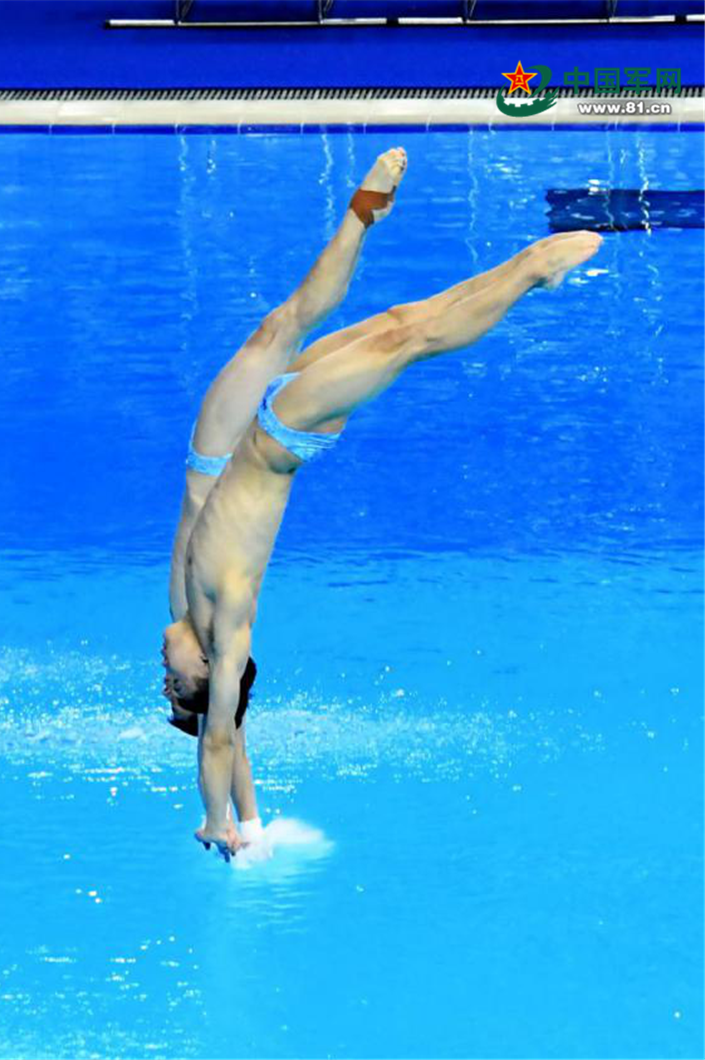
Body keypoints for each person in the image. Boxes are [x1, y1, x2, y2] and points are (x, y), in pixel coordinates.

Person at [162, 146, 602, 860]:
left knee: (393, 322)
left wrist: (247, 821)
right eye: (174, 683)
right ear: (208, 676)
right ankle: (528, 271)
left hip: (241, 438)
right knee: (407, 340)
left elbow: (225, 730)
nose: (162, 672)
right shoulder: (225, 625)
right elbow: (221, 734)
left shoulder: (184, 607)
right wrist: (220, 820)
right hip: (281, 434)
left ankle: (374, 217)